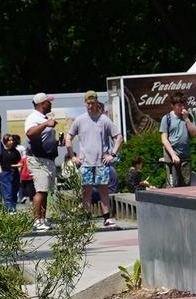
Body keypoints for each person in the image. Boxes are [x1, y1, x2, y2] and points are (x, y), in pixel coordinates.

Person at [66, 91, 121, 229]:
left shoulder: (104, 120)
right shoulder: (80, 120)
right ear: (85, 103)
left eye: (93, 103)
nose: (90, 105)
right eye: (88, 103)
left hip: (101, 162)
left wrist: (112, 155)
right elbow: (68, 138)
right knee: (86, 192)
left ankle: (107, 218)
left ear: (97, 102)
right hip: (85, 162)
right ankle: (86, 218)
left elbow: (118, 137)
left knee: (103, 190)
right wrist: (72, 156)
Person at [22, 94, 63, 232]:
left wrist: (57, 143)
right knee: (40, 190)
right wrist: (46, 124)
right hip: (38, 160)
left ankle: (43, 219)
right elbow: (30, 132)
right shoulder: (33, 117)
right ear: (41, 104)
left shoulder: (43, 117)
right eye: (48, 102)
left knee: (45, 191)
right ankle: (36, 221)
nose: (50, 104)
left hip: (48, 160)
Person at [160, 93, 196, 188]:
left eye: (183, 105)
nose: (182, 107)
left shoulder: (189, 116)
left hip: (185, 154)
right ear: (173, 106)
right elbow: (164, 139)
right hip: (171, 154)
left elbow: (193, 133)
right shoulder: (166, 118)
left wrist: (186, 119)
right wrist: (173, 155)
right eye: (179, 105)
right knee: (173, 184)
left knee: (186, 183)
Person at [0, 134, 24, 208]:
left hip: (14, 172)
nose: (11, 141)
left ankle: (13, 208)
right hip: (5, 173)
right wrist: (0, 172)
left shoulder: (16, 151)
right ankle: (9, 209)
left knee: (14, 191)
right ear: (5, 142)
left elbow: (20, 163)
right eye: (9, 140)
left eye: (12, 140)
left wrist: (15, 166)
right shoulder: (2, 151)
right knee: (8, 191)